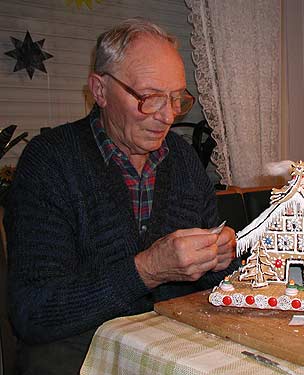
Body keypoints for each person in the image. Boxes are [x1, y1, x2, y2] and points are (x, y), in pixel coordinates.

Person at [5, 18, 238, 375]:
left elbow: (211, 288)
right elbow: (34, 314)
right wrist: (146, 270)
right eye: (149, 98)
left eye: (177, 99)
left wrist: (221, 259)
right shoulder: (50, 161)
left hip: (174, 346)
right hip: (77, 351)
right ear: (100, 90)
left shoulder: (184, 161)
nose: (168, 116)